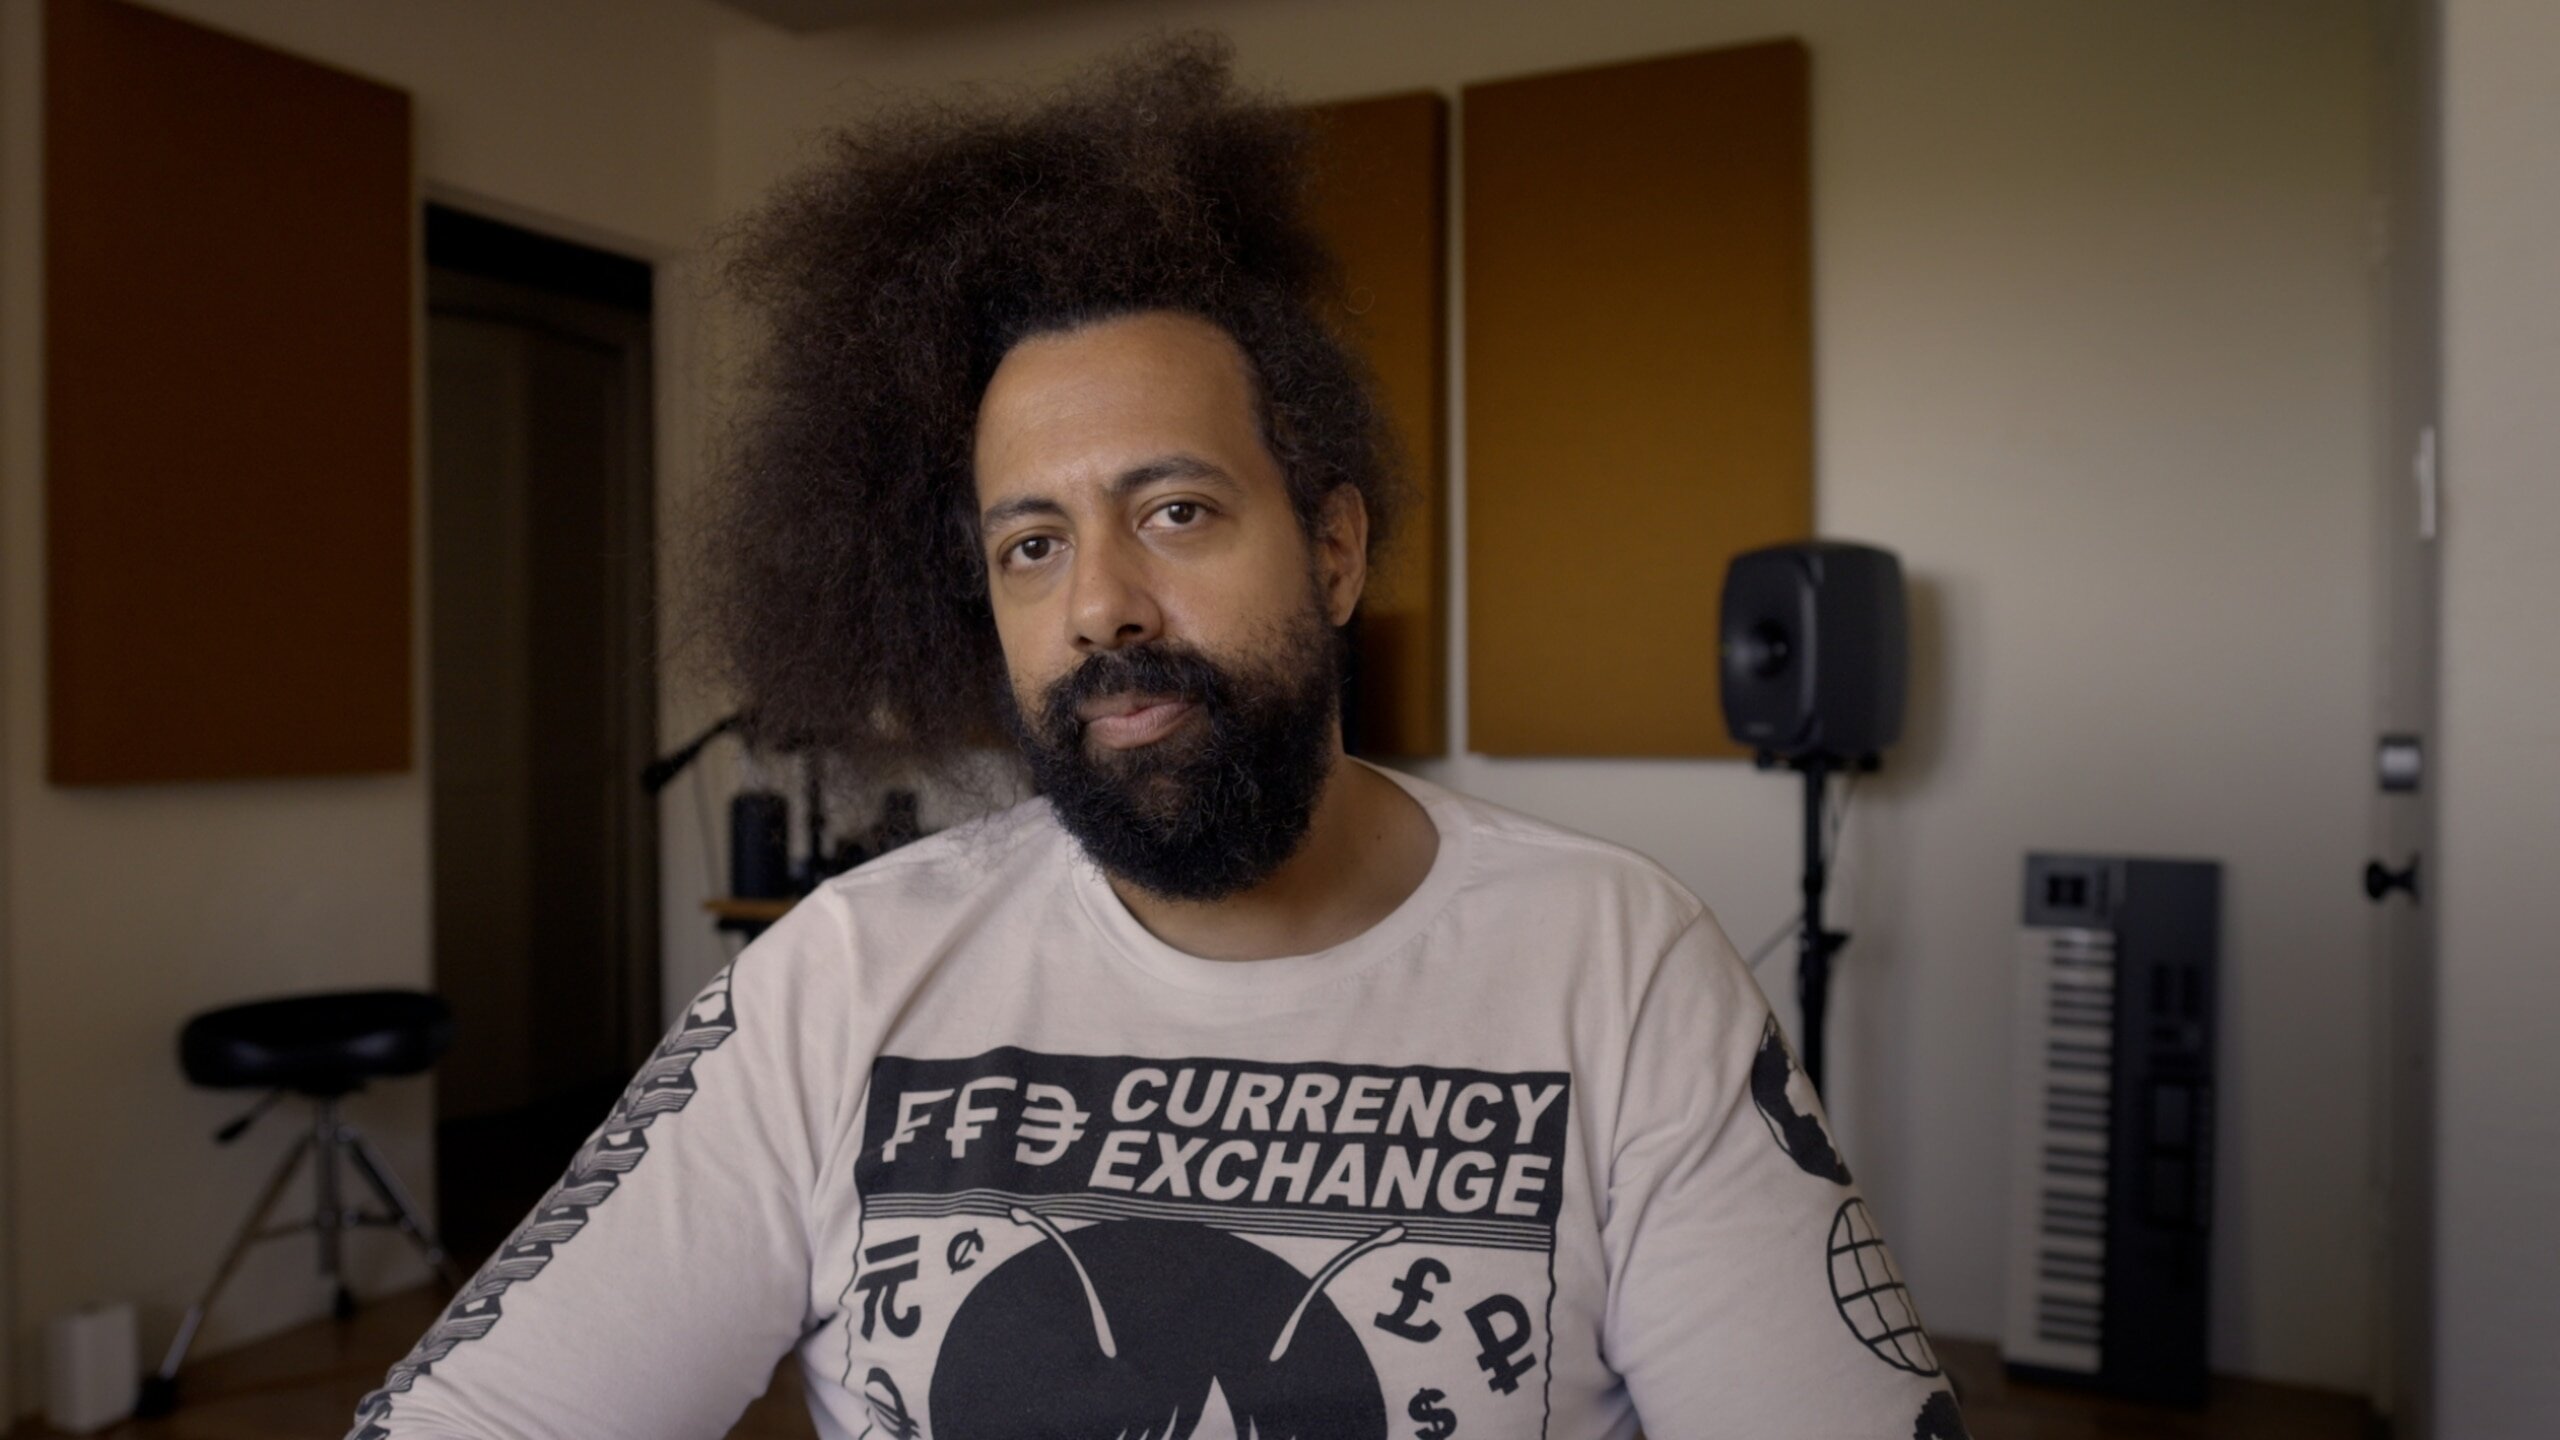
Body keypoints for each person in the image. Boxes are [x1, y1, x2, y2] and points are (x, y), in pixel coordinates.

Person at [349, 36, 1965, 1440]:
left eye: (1176, 510)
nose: (1100, 606)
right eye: (1030, 544)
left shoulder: (1620, 967)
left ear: (1334, 548)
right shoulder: (838, 983)